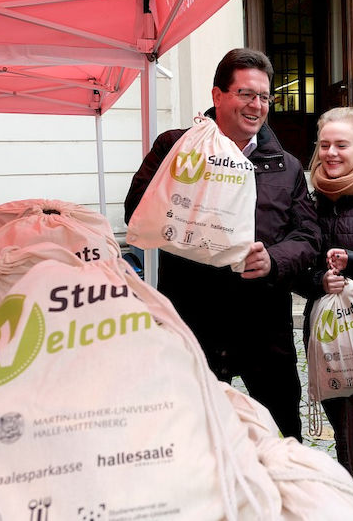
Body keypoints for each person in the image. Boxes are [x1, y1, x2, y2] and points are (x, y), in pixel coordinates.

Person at [124, 48, 321, 442]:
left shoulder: (286, 166)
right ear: (218, 96)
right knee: (194, 438)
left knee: (284, 438)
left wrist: (274, 260)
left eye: (265, 97)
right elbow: (137, 210)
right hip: (194, 322)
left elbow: (308, 238)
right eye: (246, 94)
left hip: (264, 331)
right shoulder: (175, 147)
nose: (257, 105)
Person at [297, 106, 353, 517]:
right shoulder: (310, 201)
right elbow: (298, 265)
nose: (331, 153)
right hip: (324, 336)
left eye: (342, 145)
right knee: (344, 442)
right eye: (325, 144)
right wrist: (319, 280)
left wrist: (352, 264)